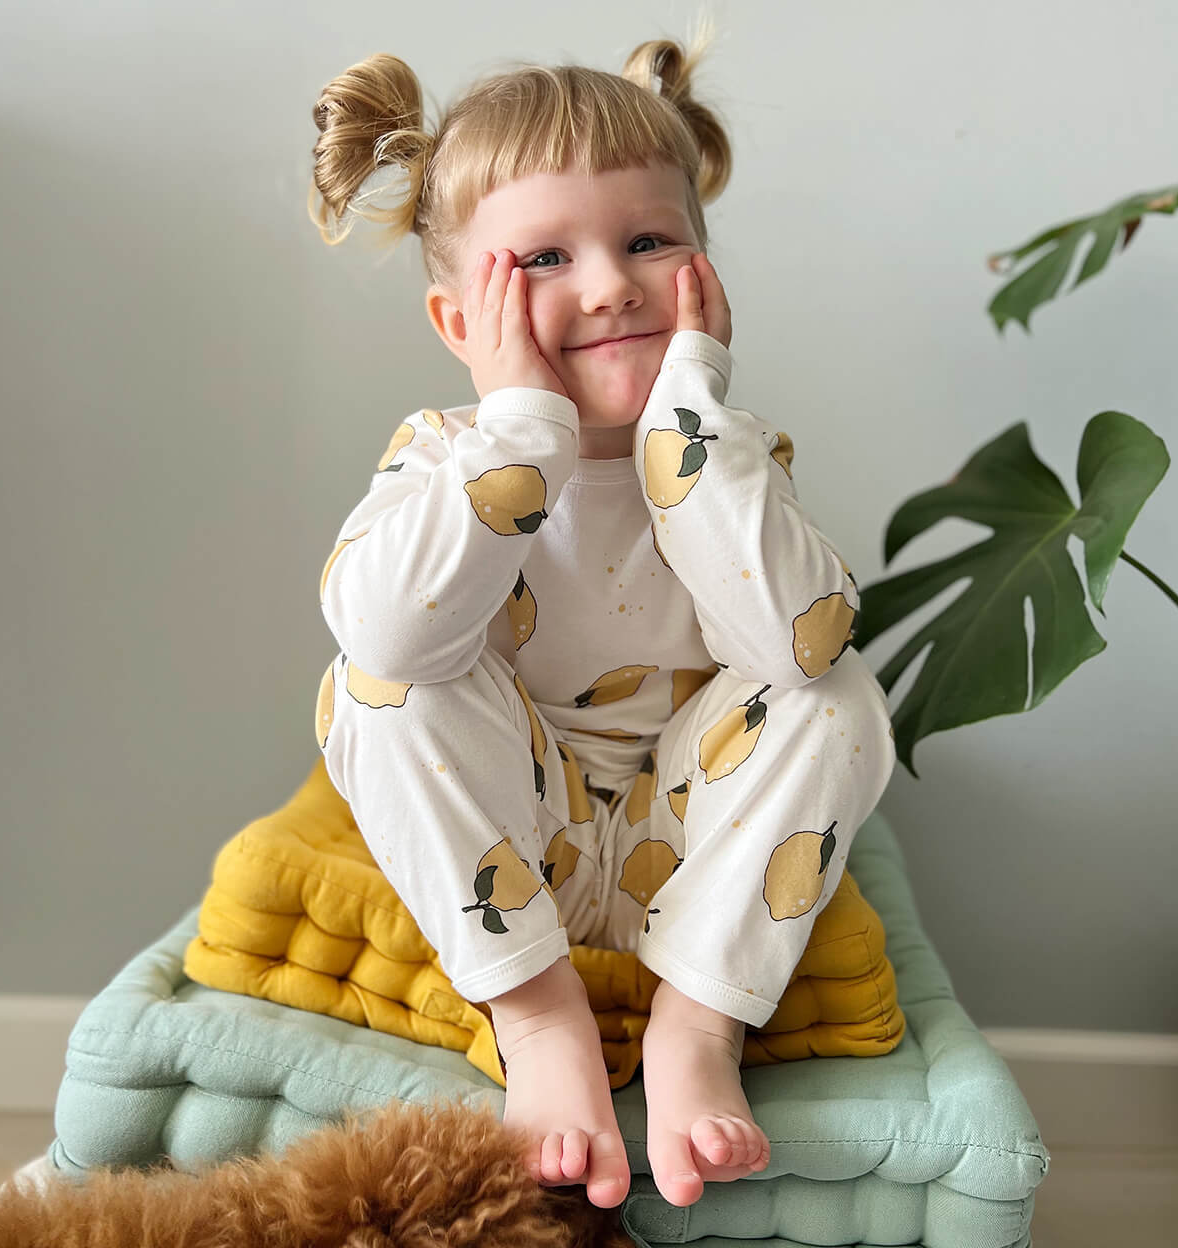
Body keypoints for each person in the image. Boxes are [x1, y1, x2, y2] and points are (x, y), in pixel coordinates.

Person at [307, 23, 895, 1211]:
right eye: (546, 258)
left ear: (704, 271)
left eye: (646, 242)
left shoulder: (732, 454)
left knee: (836, 690)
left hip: (694, 836)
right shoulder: (441, 457)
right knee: (373, 683)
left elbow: (799, 643)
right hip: (520, 840)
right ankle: (540, 1023)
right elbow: (389, 641)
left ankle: (698, 1024)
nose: (612, 284)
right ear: (459, 324)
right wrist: (524, 433)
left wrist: (692, 428)